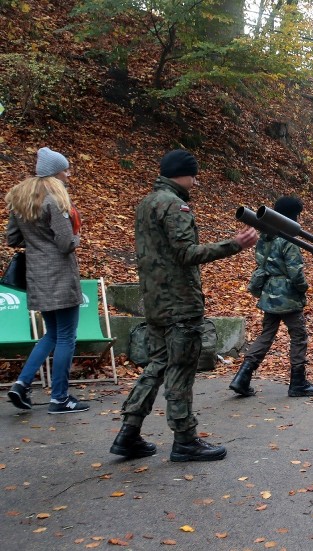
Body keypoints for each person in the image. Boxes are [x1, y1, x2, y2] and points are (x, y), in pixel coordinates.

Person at [110, 150, 258, 462]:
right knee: (180, 370)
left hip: (155, 302)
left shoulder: (147, 203)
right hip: (179, 303)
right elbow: (186, 253)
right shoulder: (175, 205)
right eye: (194, 174)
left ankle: (128, 432)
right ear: (184, 173)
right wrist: (234, 245)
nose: (196, 180)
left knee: (158, 365)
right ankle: (185, 439)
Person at [5, 147, 88, 414]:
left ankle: (21, 383)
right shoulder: (55, 200)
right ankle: (60, 398)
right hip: (61, 275)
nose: (69, 173)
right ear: (54, 173)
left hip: (37, 275)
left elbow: (12, 239)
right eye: (66, 169)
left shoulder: (22, 199)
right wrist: (77, 238)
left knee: (52, 333)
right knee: (66, 336)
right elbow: (65, 243)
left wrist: (36, 241)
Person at [229, 196, 313, 399]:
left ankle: (242, 378)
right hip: (287, 294)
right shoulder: (288, 241)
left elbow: (261, 263)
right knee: (298, 336)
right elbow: (296, 273)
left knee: (266, 334)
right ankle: (298, 382)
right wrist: (303, 288)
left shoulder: (266, 237)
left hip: (269, 292)